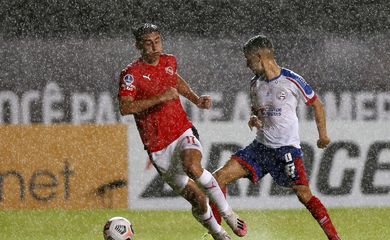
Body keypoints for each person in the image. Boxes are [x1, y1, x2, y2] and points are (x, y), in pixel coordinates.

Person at [117, 23, 247, 240]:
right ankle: (218, 233)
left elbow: (175, 80)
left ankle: (228, 213)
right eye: (148, 43)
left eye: (157, 40)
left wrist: (196, 99)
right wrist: (159, 98)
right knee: (198, 199)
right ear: (138, 45)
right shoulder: (131, 74)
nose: (154, 46)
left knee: (192, 166)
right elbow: (125, 107)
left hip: (181, 130)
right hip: (158, 146)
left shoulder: (169, 61)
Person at [209, 34, 341, 240]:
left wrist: (323, 136)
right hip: (259, 149)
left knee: (304, 195)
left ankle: (335, 238)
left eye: (248, 59)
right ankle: (216, 233)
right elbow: (257, 109)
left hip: (286, 151)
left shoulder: (291, 80)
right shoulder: (255, 84)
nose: (247, 64)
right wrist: (254, 118)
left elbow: (317, 104)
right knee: (217, 179)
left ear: (260, 56)